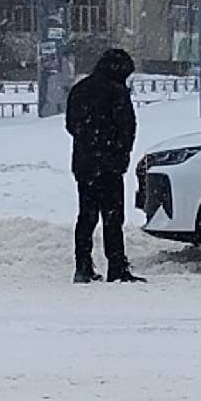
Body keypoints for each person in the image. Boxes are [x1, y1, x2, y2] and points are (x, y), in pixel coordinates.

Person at [66, 46, 140, 283]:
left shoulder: (80, 89)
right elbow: (127, 127)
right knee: (112, 217)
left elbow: (71, 125)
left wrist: (89, 140)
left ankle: (82, 266)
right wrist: (119, 153)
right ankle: (116, 266)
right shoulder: (117, 92)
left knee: (86, 216)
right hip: (110, 165)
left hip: (85, 163)